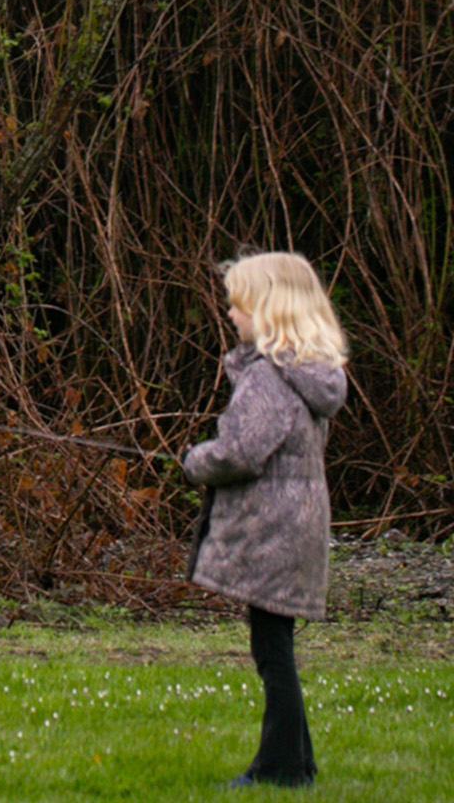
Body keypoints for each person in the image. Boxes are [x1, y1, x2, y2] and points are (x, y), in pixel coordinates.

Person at [184, 251, 348, 788]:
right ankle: (297, 762)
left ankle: (280, 769)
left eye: (239, 305)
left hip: (272, 533)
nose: (231, 315)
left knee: (272, 652)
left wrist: (195, 460)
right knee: (276, 646)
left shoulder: (268, 379)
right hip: (297, 529)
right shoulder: (306, 376)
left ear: (269, 311)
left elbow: (241, 452)